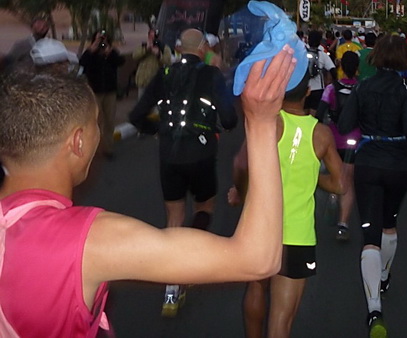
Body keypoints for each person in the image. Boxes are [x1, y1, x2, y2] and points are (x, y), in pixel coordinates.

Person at [0, 46, 295, 337]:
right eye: (96, 125)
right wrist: (261, 122)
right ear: (78, 142)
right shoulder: (88, 242)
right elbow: (258, 259)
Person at [129, 28, 238, 315]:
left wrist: (158, 130)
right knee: (205, 207)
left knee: (173, 217)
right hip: (201, 154)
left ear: (178, 49)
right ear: (202, 48)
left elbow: (136, 115)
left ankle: (170, 288)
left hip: (170, 155)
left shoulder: (164, 74)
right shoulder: (212, 75)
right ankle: (188, 255)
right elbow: (229, 119)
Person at [228, 71, 344, 338]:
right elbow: (340, 184)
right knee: (281, 319)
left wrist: (241, 193)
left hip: (259, 228)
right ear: (307, 93)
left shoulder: (267, 124)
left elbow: (240, 164)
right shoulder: (321, 134)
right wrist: (312, 175)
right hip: (297, 237)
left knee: (256, 287)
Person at [337, 34, 407, 338]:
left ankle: (374, 309)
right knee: (390, 222)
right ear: (403, 57)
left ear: (375, 56)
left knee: (370, 235)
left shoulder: (363, 86)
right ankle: (385, 275)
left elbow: (344, 125)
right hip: (398, 164)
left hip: (368, 163)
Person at [316, 51, 361, 241]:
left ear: (341, 66)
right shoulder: (362, 88)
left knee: (333, 172)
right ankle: (343, 225)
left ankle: (333, 193)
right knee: (348, 180)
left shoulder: (331, 88)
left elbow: (320, 113)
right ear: (357, 68)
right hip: (354, 140)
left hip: (333, 139)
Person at [79, 30, 126, 159]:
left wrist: (109, 53)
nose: (101, 42)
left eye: (103, 39)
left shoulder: (111, 53)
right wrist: (92, 48)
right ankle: (96, 149)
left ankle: (108, 148)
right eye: (99, 39)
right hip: (95, 91)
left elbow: (121, 61)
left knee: (109, 121)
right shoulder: (90, 53)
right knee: (97, 121)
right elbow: (82, 62)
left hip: (110, 91)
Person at [132, 28, 172, 99]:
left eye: (154, 37)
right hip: (143, 81)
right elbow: (135, 56)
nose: (152, 39)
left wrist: (159, 55)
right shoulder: (143, 46)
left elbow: (168, 61)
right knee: (142, 102)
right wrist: (145, 49)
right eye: (151, 37)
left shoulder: (164, 48)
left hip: (155, 82)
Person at [304, 30, 336, 115]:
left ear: (308, 40)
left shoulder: (302, 53)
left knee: (304, 112)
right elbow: (332, 69)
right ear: (319, 42)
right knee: (314, 114)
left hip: (304, 87)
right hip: (318, 88)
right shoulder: (322, 55)